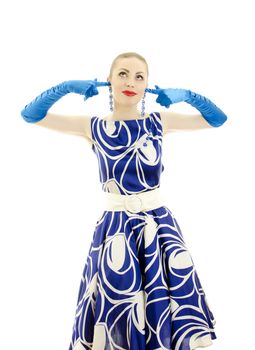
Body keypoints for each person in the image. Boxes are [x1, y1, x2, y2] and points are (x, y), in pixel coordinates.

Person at [21, 51, 227, 350]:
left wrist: (187, 95)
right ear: (109, 80)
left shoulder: (158, 122)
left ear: (147, 86)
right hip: (115, 230)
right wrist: (66, 87)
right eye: (122, 74)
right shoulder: (92, 126)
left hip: (157, 228)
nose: (130, 81)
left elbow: (217, 120)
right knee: (118, 304)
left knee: (163, 307)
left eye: (139, 77)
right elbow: (30, 115)